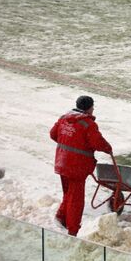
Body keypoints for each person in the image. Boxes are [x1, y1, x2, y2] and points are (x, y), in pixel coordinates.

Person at [50, 95, 113, 236]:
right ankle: (72, 230)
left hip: (62, 163)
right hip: (77, 167)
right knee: (76, 199)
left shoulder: (64, 118)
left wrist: (68, 143)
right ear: (89, 108)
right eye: (92, 107)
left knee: (68, 193)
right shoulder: (87, 124)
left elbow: (53, 134)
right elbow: (97, 142)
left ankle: (61, 217)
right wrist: (108, 148)